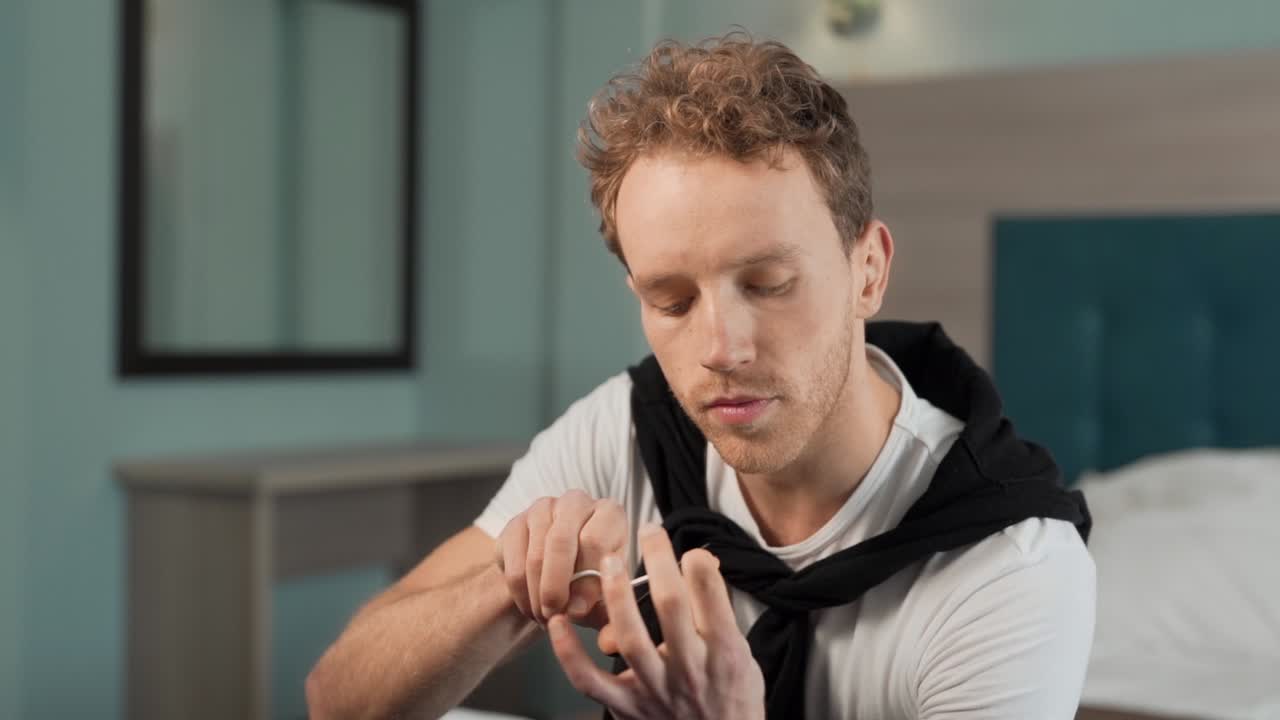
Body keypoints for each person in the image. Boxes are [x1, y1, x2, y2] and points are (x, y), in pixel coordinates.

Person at [306, 33, 1095, 720]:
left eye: (768, 284)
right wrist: (511, 587)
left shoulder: (1010, 570)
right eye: (673, 300)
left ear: (868, 271)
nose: (720, 348)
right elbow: (335, 702)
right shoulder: (623, 432)